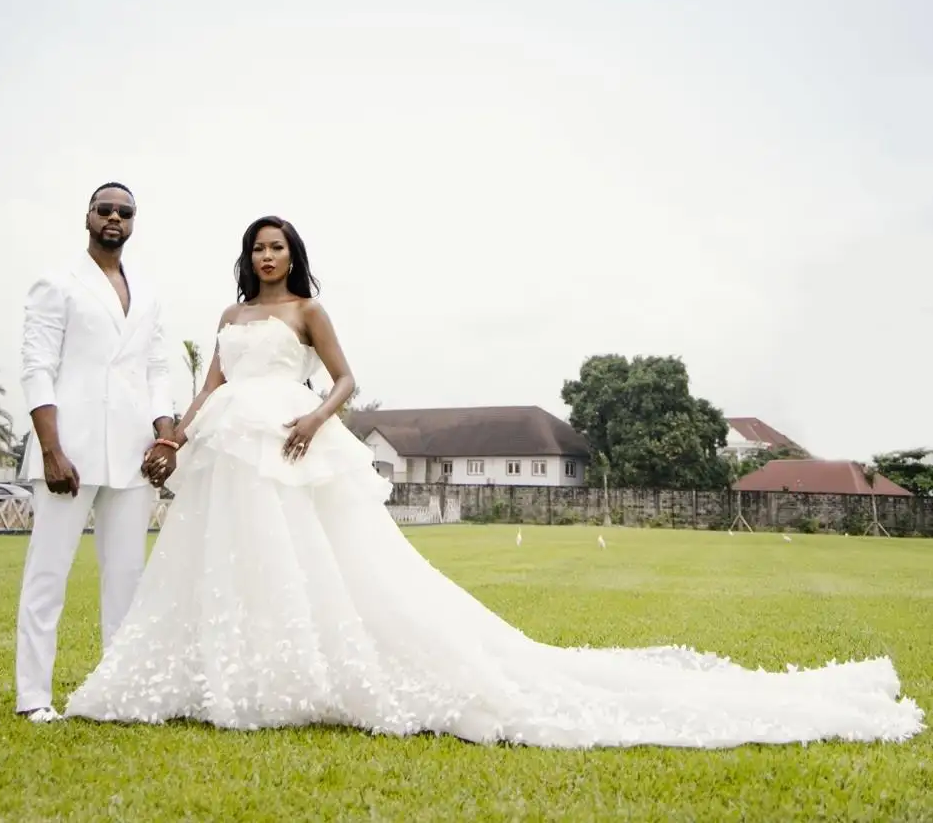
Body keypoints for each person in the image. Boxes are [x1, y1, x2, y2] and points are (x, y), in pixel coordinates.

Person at [66, 216, 922, 747]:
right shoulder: (228, 317)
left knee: (310, 559)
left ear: (294, 257)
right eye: (256, 248)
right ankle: (220, 672)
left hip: (290, 437)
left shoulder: (306, 313)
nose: (266, 257)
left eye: (278, 247)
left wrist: (314, 420)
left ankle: (300, 671)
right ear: (244, 259)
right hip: (228, 441)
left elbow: (347, 381)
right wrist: (176, 430)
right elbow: (212, 380)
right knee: (227, 559)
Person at [15, 182, 174, 722]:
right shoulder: (57, 283)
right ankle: (33, 697)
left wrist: (166, 436)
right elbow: (36, 367)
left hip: (132, 454)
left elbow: (156, 370)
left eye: (124, 212)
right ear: (87, 216)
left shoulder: (148, 292)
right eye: (104, 208)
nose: (114, 217)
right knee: (48, 573)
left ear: (134, 222)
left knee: (127, 577)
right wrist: (51, 449)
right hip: (70, 452)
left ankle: (118, 693)